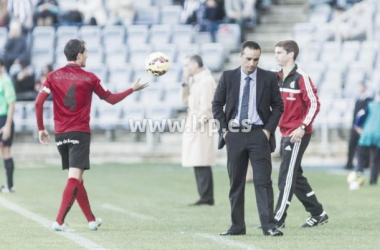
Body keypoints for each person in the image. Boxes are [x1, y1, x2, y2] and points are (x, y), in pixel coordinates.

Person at [34, 39, 148, 231]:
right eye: (86, 52)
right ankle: (59, 221)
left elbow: (38, 103)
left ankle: (91, 220)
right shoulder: (90, 78)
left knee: (77, 178)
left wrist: (41, 128)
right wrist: (132, 89)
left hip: (61, 134)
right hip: (79, 132)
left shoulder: (53, 76)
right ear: (78, 55)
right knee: (74, 177)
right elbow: (111, 99)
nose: (88, 55)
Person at [212, 41, 284, 236]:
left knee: (263, 182)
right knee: (236, 182)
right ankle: (237, 226)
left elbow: (278, 106)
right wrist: (224, 132)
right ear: (240, 56)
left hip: (259, 134)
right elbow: (217, 105)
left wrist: (268, 130)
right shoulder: (228, 77)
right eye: (248, 59)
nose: (252, 63)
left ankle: (269, 226)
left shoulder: (269, 77)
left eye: (256, 59)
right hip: (234, 134)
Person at [273, 40, 328, 228]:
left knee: (286, 176)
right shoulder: (277, 77)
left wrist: (302, 127)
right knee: (295, 176)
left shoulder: (302, 77)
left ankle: (277, 220)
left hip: (298, 134)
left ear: (291, 55)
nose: (276, 55)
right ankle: (318, 213)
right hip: (285, 132)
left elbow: (314, 104)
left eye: (279, 52)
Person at [181, 55, 216, 206]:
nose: (186, 68)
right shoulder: (196, 81)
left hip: (202, 126)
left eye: (187, 65)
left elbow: (207, 108)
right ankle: (203, 195)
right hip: (194, 123)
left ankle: (207, 197)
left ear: (195, 65)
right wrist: (185, 82)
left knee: (202, 160)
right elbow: (184, 101)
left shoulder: (207, 81)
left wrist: (194, 125)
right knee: (196, 160)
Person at [349, 90, 380, 189]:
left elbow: (360, 115)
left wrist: (358, 127)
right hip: (379, 136)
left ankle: (358, 178)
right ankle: (373, 181)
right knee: (376, 159)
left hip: (367, 134)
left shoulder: (370, 105)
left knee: (361, 157)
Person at [345, 82, 372, 170]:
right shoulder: (358, 100)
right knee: (351, 144)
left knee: (364, 145)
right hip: (355, 126)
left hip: (363, 127)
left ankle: (365, 164)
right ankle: (349, 163)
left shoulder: (368, 100)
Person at [0, 58, 16, 193]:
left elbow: (11, 103)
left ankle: (10, 185)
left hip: (3, 118)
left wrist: (7, 125)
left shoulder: (6, 82)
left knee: (5, 152)